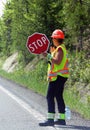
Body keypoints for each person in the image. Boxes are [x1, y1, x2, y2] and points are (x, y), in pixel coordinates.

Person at [39, 29, 69, 126]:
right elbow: (54, 62)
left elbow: (57, 61)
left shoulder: (60, 49)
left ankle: (50, 120)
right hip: (60, 76)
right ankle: (62, 119)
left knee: (50, 96)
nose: (52, 40)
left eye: (53, 38)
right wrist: (50, 55)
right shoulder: (59, 48)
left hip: (58, 77)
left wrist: (48, 55)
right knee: (58, 96)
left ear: (56, 39)